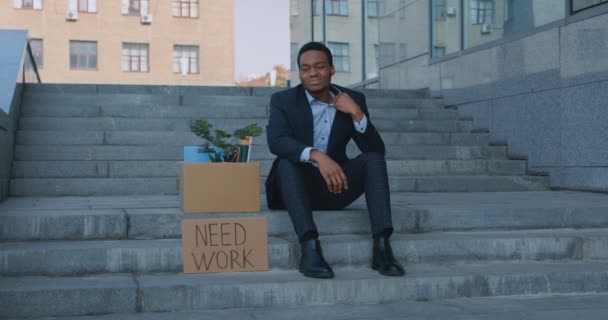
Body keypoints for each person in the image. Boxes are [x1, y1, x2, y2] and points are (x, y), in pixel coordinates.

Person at [265, 42, 405, 279]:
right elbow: (276, 141)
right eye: (305, 68)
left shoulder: (353, 99)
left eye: (319, 67)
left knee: (371, 160)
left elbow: (375, 150)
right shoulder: (283, 100)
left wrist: (356, 114)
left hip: (334, 187)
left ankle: (382, 248)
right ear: (299, 72)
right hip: (293, 188)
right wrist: (318, 155)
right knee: (286, 163)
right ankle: (309, 249)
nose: (312, 73)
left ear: (331, 69)